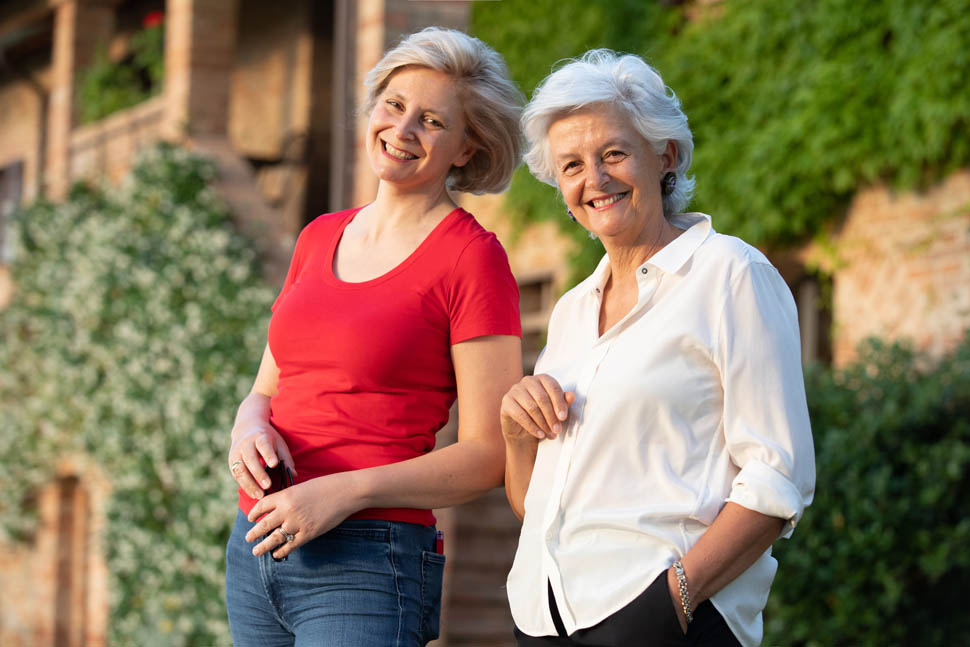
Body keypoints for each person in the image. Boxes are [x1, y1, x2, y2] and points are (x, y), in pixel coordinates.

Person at [501, 50, 815, 647]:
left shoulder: (731, 274)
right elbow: (536, 505)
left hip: (667, 621)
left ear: (664, 156)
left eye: (613, 153)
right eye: (571, 164)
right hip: (544, 619)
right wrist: (517, 433)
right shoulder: (569, 312)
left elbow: (778, 477)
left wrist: (672, 602)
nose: (593, 179)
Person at [224, 27, 525, 647]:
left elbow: (490, 455)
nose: (403, 129)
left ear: (466, 149)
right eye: (394, 105)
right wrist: (248, 425)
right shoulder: (318, 236)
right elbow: (267, 389)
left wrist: (345, 492)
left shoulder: (472, 259)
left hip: (367, 558)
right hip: (254, 543)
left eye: (433, 120)